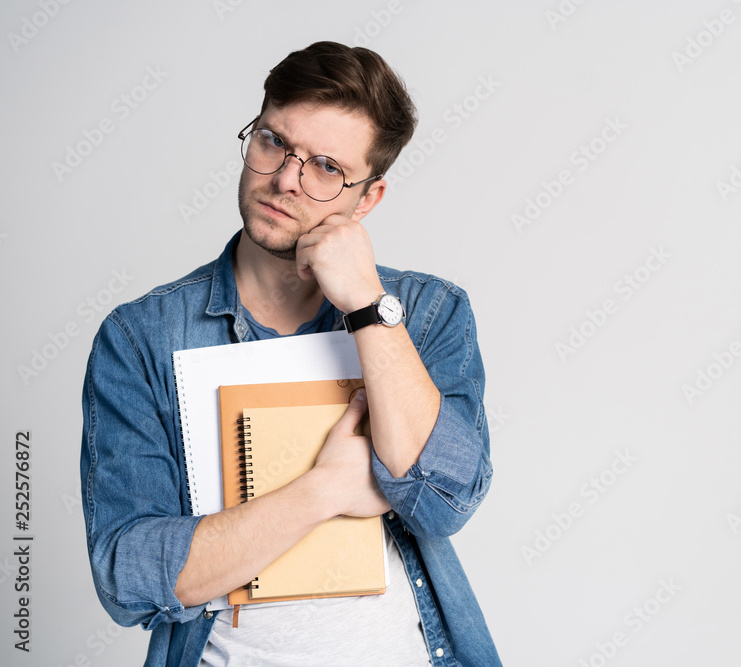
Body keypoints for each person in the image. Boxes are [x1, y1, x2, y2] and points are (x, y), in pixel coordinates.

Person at [80, 41, 500, 666]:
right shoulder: (141, 337)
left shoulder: (429, 312)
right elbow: (130, 577)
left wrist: (365, 303)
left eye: (327, 166)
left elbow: (443, 499)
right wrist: (323, 490)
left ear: (369, 198)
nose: (285, 180)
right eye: (274, 141)